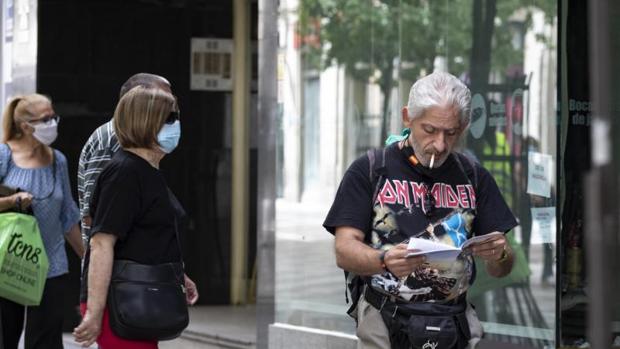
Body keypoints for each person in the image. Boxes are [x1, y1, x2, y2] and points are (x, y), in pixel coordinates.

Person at [323, 71, 518, 349]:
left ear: (462, 127)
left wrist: (500, 253)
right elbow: (343, 251)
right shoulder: (370, 170)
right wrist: (384, 259)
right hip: (385, 320)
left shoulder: (474, 176)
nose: (439, 145)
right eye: (429, 130)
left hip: (454, 321)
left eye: (450, 133)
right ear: (407, 117)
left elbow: (503, 267)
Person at [73, 86, 197, 348]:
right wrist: (95, 313)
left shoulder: (147, 170)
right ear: (146, 122)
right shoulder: (125, 173)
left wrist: (177, 275)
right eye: (170, 118)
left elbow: (148, 236)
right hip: (118, 300)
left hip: (142, 296)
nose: (177, 124)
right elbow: (101, 243)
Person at [0, 93, 85, 349]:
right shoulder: (4, 156)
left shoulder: (57, 160)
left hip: (51, 264)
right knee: (5, 337)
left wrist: (88, 258)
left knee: (46, 340)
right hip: (9, 262)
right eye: (46, 119)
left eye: (54, 116)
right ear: (26, 126)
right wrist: (13, 201)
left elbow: (68, 216)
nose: (53, 123)